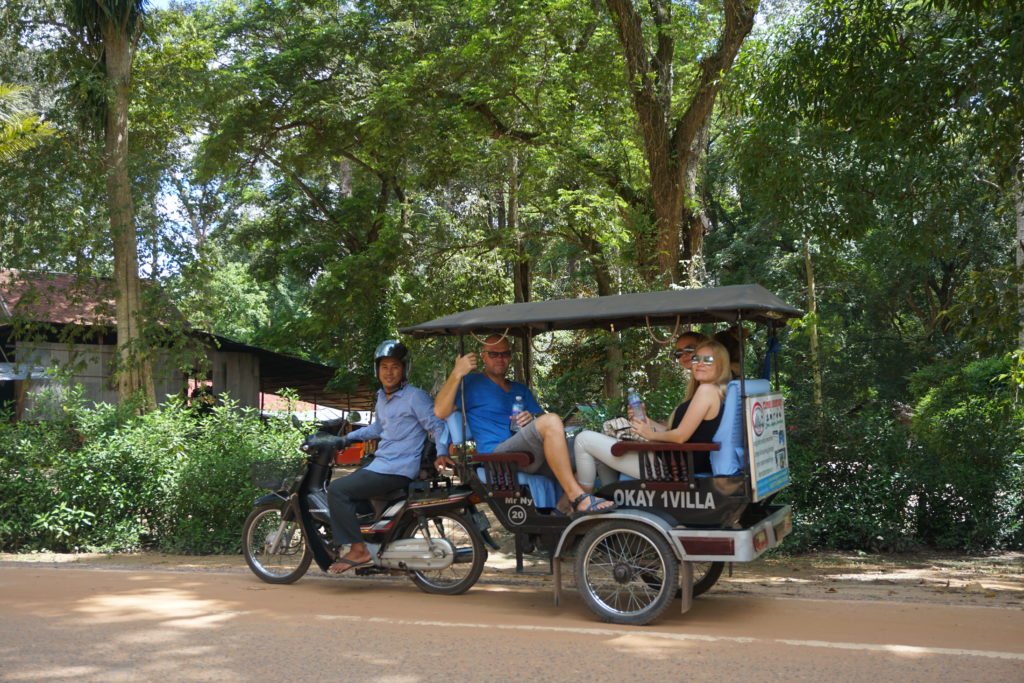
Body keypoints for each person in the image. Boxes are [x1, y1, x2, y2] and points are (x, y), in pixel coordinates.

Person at [434, 334, 615, 516]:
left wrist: (533, 418)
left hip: (531, 455)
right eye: (493, 354)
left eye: (504, 354)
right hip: (498, 457)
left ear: (510, 357)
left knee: (588, 444)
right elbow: (440, 411)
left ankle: (565, 510)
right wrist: (457, 372)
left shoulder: (520, 389)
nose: (500, 358)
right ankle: (578, 497)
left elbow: (543, 419)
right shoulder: (470, 383)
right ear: (483, 356)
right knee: (551, 420)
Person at [326, 340, 449, 574]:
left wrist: (442, 452)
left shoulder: (415, 397)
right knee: (353, 496)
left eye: (394, 366)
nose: (389, 372)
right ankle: (374, 545)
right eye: (384, 367)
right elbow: (379, 429)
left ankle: (358, 549)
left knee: (337, 490)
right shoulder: (382, 397)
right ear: (377, 370)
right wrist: (347, 438)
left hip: (397, 469)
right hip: (381, 464)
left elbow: (437, 425)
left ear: (404, 370)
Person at [573, 340, 731, 487]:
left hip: (672, 467)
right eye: (696, 359)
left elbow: (680, 436)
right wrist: (646, 421)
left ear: (721, 365)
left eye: (708, 360)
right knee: (602, 447)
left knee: (583, 439)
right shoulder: (712, 391)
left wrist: (649, 434)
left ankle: (583, 501)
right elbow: (675, 432)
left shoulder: (707, 390)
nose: (700, 364)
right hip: (673, 461)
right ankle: (613, 496)